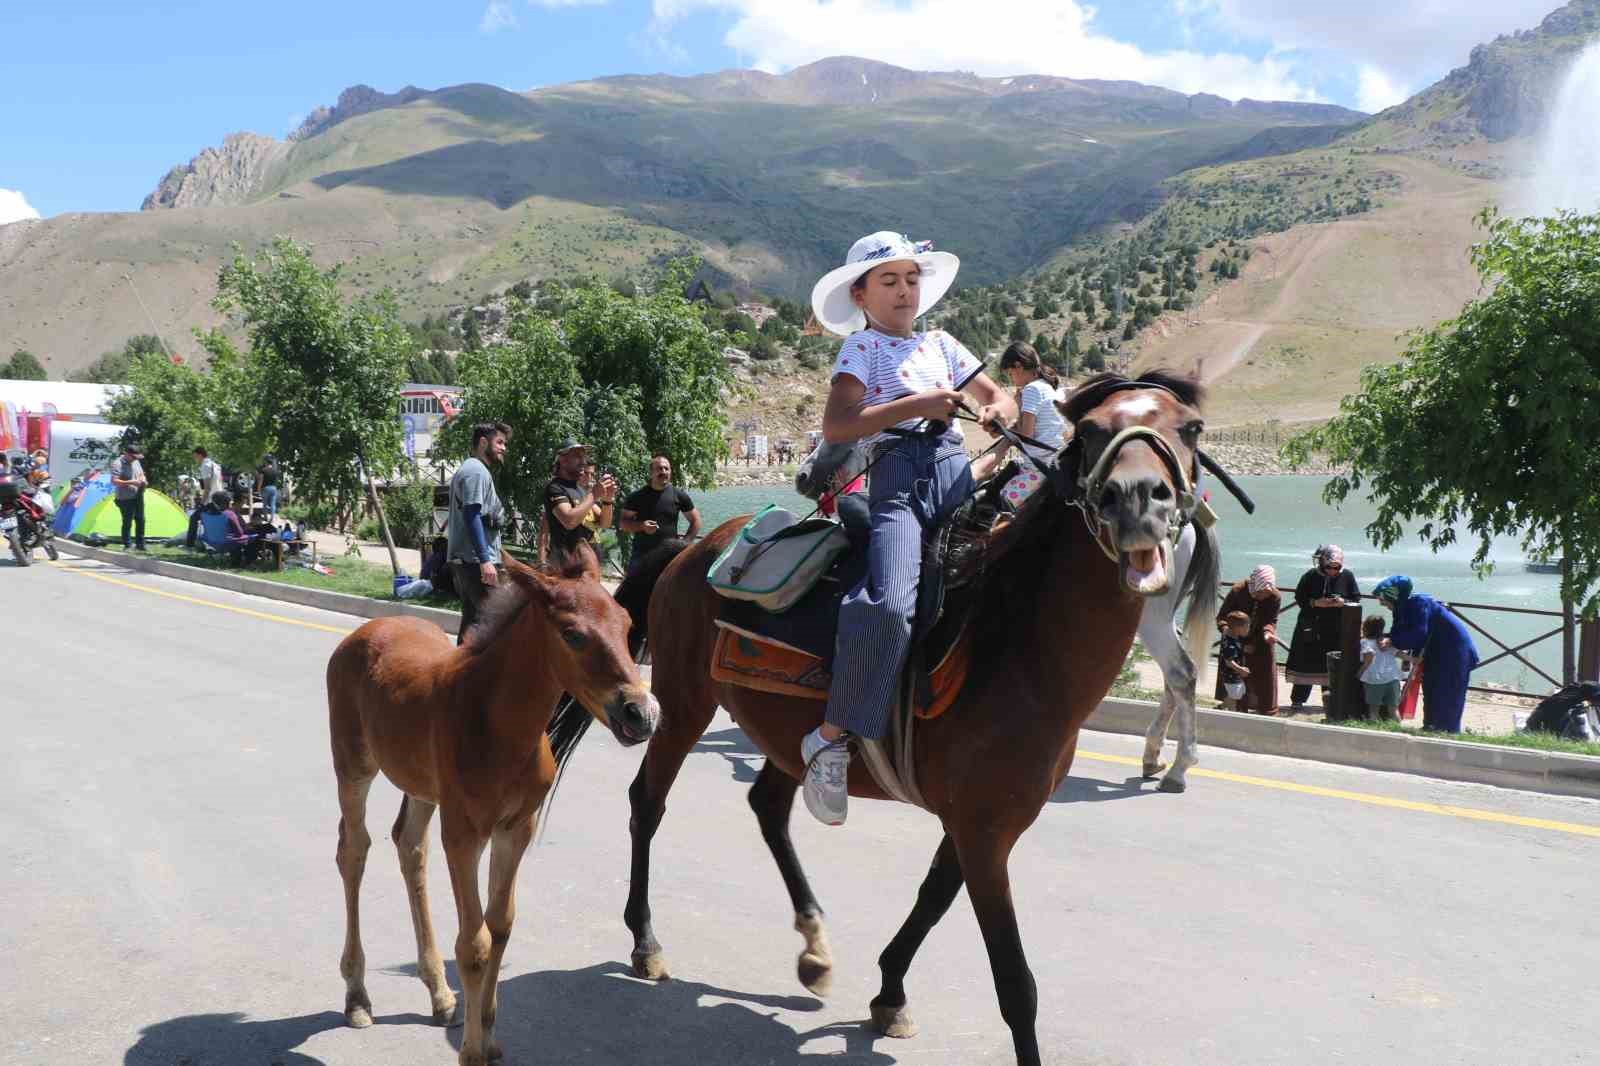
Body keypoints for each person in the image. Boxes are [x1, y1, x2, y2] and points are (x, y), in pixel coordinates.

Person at [799, 230, 1017, 826]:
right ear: (862, 295)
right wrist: (919, 406)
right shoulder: (860, 353)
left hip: (956, 477)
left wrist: (997, 412)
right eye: (889, 281)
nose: (903, 291)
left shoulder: (944, 344)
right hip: (897, 480)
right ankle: (831, 736)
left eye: (911, 279)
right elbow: (841, 426)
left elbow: (997, 397)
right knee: (891, 606)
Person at [1373, 575, 1480, 734]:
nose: (1381, 603)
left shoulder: (1419, 603)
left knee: (1447, 694)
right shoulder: (1401, 607)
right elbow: (1400, 632)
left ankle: (1447, 733)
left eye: (1383, 600)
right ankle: (1431, 727)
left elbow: (1418, 633)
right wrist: (1391, 639)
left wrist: (1392, 641)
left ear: (1393, 596)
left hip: (1454, 651)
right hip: (1436, 652)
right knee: (1431, 689)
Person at [970, 341, 1066, 507]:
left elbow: (1026, 435)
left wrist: (1007, 427)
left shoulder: (1031, 390)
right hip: (1051, 460)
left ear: (1018, 366)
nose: (1011, 379)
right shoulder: (1046, 387)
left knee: (1001, 501)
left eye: (1010, 374)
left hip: (1039, 467)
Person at [448, 422, 511, 645]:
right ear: (483, 442)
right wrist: (485, 561)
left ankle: (459, 675)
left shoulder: (473, 469)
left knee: (474, 622)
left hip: (470, 560)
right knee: (495, 621)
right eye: (500, 442)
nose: (504, 448)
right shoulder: (476, 471)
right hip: (475, 562)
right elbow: (472, 515)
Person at [1285, 544, 1361, 710]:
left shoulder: (1347, 576)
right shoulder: (1310, 575)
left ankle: (1331, 702)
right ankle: (1298, 700)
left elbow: (1356, 597)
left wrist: (1343, 602)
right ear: (1322, 563)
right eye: (1329, 567)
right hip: (1311, 627)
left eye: (1336, 567)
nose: (1332, 571)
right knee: (1306, 662)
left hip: (1335, 629)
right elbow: (1300, 597)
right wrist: (1315, 602)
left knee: (1331, 664)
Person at [1214, 565, 1281, 715]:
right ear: (1255, 585)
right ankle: (1236, 706)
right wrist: (1230, 635)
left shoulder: (1274, 596)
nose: (1263, 596)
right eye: (1260, 592)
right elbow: (1222, 616)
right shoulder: (1238, 591)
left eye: (1266, 593)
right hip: (1235, 636)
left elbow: (1271, 620)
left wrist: (1268, 633)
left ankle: (1265, 709)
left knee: (1264, 672)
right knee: (1235, 672)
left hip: (1261, 639)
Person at [620, 454, 702, 576]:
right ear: (651, 473)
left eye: (666, 468)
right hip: (642, 555)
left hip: (669, 557)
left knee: (668, 594)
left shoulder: (679, 495)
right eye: (659, 469)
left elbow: (696, 521)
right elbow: (623, 523)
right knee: (631, 593)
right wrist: (642, 526)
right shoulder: (637, 497)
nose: (663, 471)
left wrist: (684, 543)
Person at [542, 440, 617, 565]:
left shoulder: (581, 491)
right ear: (562, 460)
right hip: (566, 568)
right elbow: (569, 521)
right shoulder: (554, 487)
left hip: (588, 567)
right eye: (577, 456)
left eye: (584, 457)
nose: (583, 461)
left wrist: (607, 501)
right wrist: (594, 495)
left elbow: (604, 523)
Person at [1358, 614, 1404, 722]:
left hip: (1374, 680)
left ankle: (1373, 728)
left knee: (1374, 709)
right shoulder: (1387, 642)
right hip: (1393, 678)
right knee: (1393, 709)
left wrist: (1360, 672)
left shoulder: (1365, 642)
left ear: (1365, 628)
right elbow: (1398, 653)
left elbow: (1368, 656)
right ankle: (1397, 729)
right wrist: (1412, 659)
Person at [109, 441, 148, 551]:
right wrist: (131, 482)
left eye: (136, 457)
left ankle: (140, 544)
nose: (135, 459)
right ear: (126, 454)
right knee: (127, 520)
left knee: (141, 519)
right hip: (125, 498)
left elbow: (141, 473)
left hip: (138, 494)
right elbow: (114, 481)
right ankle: (127, 544)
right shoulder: (117, 464)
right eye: (133, 457)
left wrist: (143, 480)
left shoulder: (135, 462)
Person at [196, 490, 253, 565]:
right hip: (227, 543)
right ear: (228, 502)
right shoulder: (230, 514)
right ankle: (242, 561)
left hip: (212, 542)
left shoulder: (206, 514)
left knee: (233, 537)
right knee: (247, 537)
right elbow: (239, 532)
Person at [1218, 610, 1252, 711]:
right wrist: (1240, 669)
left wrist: (1243, 649)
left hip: (1233, 674)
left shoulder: (1232, 635)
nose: (1248, 630)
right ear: (1237, 628)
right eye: (1247, 627)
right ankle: (1232, 715)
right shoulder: (1230, 643)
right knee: (1235, 695)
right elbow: (1229, 661)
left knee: (1237, 693)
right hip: (1231, 674)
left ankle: (1222, 707)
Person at [255, 453, 280, 519]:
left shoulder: (263, 470)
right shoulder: (275, 470)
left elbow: (260, 480)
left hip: (265, 488)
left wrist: (258, 489)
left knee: (265, 504)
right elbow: (277, 480)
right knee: (273, 504)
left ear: (266, 462)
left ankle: (266, 517)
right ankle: (272, 518)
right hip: (274, 488)